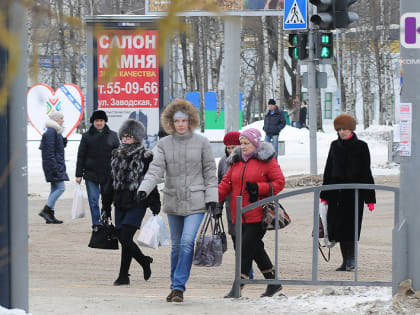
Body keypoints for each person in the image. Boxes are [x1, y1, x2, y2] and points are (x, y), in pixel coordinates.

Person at [137, 99, 218, 303]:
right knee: (175, 247)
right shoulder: (163, 145)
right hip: (173, 200)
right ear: (171, 123)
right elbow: (155, 170)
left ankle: (179, 287)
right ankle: (175, 285)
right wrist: (144, 189)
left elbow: (210, 172)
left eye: (184, 120)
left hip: (196, 202)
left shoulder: (202, 143)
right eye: (177, 121)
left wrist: (212, 198)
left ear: (190, 121)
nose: (180, 124)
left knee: (187, 242)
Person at [218, 128, 285, 298]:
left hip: (258, 213)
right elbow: (225, 183)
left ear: (255, 144)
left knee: (246, 248)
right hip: (238, 214)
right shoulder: (236, 161)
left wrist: (259, 188)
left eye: (246, 143)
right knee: (256, 248)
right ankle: (273, 282)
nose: (243, 146)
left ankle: (238, 285)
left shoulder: (267, 161)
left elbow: (279, 182)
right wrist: (212, 198)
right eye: (241, 143)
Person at [320, 114, 376, 272]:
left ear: (351, 129)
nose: (341, 132)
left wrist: (369, 197)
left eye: (344, 129)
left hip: (354, 195)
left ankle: (352, 260)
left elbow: (366, 172)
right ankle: (345, 261)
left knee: (351, 228)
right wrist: (325, 194)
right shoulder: (334, 145)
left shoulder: (361, 146)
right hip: (336, 194)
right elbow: (328, 170)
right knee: (338, 228)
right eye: (339, 129)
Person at [110, 119, 161, 286]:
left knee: (125, 236)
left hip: (138, 201)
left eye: (129, 137)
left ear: (137, 138)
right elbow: (109, 180)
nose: (125, 139)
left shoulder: (146, 155)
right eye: (124, 136)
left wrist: (155, 202)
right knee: (121, 236)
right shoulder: (115, 154)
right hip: (119, 200)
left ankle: (127, 272)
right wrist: (104, 204)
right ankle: (138, 265)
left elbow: (151, 179)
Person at [75, 110, 120, 229]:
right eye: (97, 121)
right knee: (93, 200)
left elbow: (118, 155)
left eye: (101, 120)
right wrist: (78, 174)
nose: (99, 123)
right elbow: (81, 155)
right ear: (93, 122)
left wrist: (119, 171)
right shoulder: (86, 136)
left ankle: (105, 220)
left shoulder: (113, 135)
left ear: (105, 121)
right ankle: (96, 223)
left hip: (108, 174)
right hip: (91, 173)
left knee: (107, 199)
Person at [39, 111, 69, 224]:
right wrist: (54, 167)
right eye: (61, 118)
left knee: (54, 189)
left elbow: (54, 148)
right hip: (54, 165)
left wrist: (63, 142)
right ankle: (46, 210)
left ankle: (50, 215)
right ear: (56, 120)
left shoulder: (55, 131)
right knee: (61, 188)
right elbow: (49, 151)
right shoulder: (51, 132)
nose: (63, 120)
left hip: (55, 164)